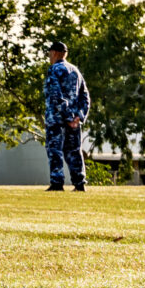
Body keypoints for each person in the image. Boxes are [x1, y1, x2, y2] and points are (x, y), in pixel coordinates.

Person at [44, 43, 91, 192]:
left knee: (55, 150)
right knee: (74, 151)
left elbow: (56, 96)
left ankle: (57, 183)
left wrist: (68, 117)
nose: (49, 56)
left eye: (50, 53)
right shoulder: (76, 71)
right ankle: (79, 183)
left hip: (57, 119)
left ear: (55, 53)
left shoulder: (54, 70)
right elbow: (85, 96)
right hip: (74, 122)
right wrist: (79, 116)